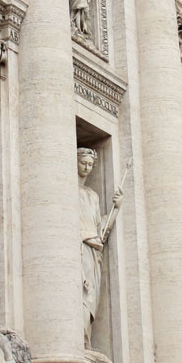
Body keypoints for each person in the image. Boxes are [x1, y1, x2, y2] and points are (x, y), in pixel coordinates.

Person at [77, 148, 123, 348]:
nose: (87, 168)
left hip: (94, 252)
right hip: (80, 249)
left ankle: (86, 343)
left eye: (90, 164)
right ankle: (80, 344)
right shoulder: (70, 191)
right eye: (83, 163)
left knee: (91, 301)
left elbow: (101, 230)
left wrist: (116, 208)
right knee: (82, 298)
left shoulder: (93, 196)